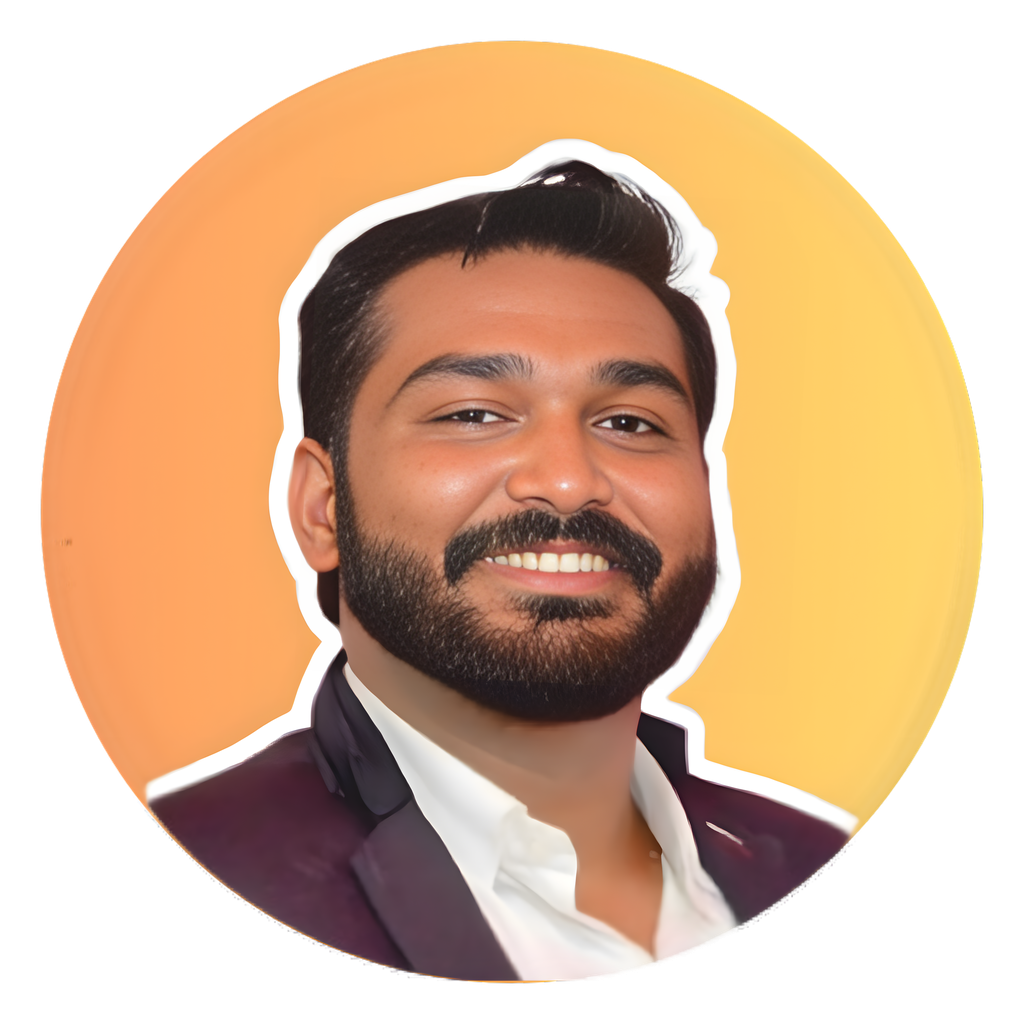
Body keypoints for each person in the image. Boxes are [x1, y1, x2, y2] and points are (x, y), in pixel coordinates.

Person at [149, 151, 854, 981]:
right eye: (474, 414)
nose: (568, 480)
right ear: (323, 507)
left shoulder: (811, 858)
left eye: (630, 423)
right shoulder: (209, 856)